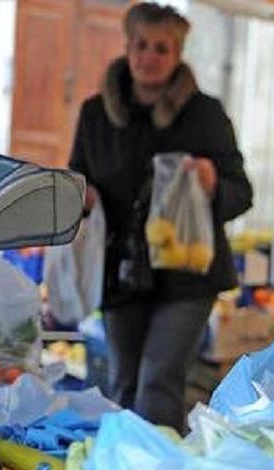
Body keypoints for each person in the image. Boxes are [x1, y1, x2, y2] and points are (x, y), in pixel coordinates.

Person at [68, 2, 252, 431]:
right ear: (127, 46)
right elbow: (76, 178)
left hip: (187, 275)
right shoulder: (96, 114)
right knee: (123, 383)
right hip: (120, 270)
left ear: (177, 54)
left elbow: (242, 193)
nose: (148, 57)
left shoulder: (205, 114)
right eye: (141, 45)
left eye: (161, 49)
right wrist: (82, 196)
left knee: (158, 379)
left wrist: (212, 184)